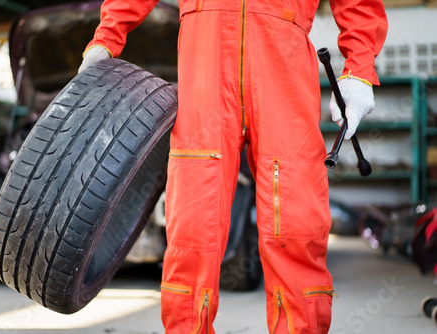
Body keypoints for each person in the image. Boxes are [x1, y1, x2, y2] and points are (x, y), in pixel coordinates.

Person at [79, 0, 388, 332]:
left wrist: (359, 69)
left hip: (284, 69)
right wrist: (106, 37)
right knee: (191, 234)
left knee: (297, 227)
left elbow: (359, 4)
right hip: (205, 69)